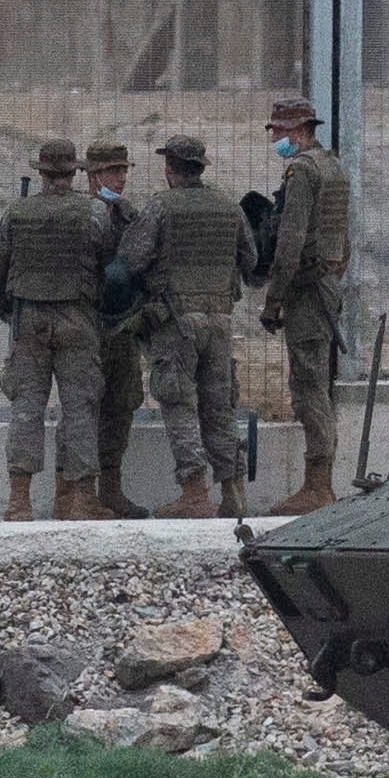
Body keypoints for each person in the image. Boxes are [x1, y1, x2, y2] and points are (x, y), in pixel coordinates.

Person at [0, 136, 113, 520]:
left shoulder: (17, 213)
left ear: (41, 172)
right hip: (78, 316)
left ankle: (19, 501)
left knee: (27, 406)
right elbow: (111, 267)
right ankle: (79, 499)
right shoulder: (94, 213)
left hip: (30, 320)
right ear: (74, 172)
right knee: (80, 408)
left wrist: (7, 304)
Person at [139, 133, 255, 515]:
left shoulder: (161, 207)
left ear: (170, 168)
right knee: (220, 406)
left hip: (178, 323)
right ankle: (233, 492)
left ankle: (194, 493)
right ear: (200, 167)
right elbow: (251, 259)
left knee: (179, 402)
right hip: (220, 320)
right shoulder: (228, 206)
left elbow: (131, 259)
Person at [257, 92, 353, 511]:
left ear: (297, 132)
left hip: (308, 290)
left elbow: (290, 240)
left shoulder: (301, 172)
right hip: (327, 284)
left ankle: (317, 486)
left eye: (279, 131)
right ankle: (319, 481)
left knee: (309, 384)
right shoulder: (333, 167)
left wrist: (273, 300)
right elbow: (342, 239)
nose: (275, 138)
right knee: (317, 381)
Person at [80, 140, 154, 520]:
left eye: (124, 170)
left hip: (123, 326)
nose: (121, 177)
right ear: (93, 176)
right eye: (113, 171)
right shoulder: (78, 214)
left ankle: (110, 489)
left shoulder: (131, 216)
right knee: (83, 406)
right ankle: (78, 491)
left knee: (121, 405)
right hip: (85, 326)